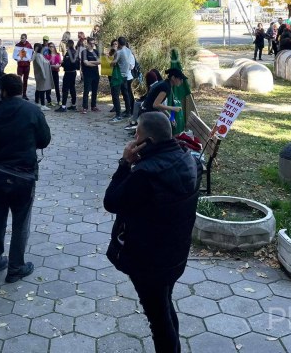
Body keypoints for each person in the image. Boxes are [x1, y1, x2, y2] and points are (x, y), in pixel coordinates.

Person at [104, 112, 201, 353]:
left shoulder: (145, 174)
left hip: (149, 261)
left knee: (158, 319)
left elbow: (111, 202)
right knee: (163, 306)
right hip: (175, 254)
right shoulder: (187, 158)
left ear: (143, 139)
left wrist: (125, 162)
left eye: (137, 133)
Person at [0, 74, 51, 283]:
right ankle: (16, 267)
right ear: (21, 89)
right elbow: (45, 140)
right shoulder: (33, 110)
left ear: (2, 91)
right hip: (24, 174)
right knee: (21, 222)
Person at [54, 40, 79, 112]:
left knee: (65, 89)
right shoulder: (75, 52)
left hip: (68, 73)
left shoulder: (69, 53)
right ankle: (73, 105)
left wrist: (62, 63)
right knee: (72, 88)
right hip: (74, 72)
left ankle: (63, 106)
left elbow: (67, 64)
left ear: (68, 45)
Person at [116, 37, 136, 117]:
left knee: (128, 94)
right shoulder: (127, 52)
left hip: (127, 76)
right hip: (125, 76)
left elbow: (131, 66)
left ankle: (131, 110)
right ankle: (129, 109)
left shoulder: (128, 53)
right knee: (126, 94)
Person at [80, 37, 101, 113]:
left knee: (95, 91)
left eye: (93, 43)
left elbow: (99, 62)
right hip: (87, 74)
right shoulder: (84, 52)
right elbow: (85, 63)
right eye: (91, 43)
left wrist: (90, 63)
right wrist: (94, 63)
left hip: (95, 74)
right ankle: (85, 107)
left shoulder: (96, 51)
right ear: (88, 43)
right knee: (86, 91)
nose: (92, 45)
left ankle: (93, 106)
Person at [32, 43, 53, 111]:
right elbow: (41, 66)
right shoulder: (38, 56)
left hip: (40, 74)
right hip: (41, 75)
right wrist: (44, 75)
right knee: (42, 89)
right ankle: (42, 104)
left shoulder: (38, 55)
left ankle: (37, 102)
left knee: (39, 88)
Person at [15, 33, 33, 100]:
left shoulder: (28, 45)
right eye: (21, 38)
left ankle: (24, 94)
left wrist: (30, 59)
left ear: (26, 38)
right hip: (20, 65)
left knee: (25, 80)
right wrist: (17, 58)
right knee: (19, 80)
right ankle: (19, 94)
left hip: (27, 65)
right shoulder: (18, 45)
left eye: (23, 38)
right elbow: (15, 55)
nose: (22, 39)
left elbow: (31, 53)